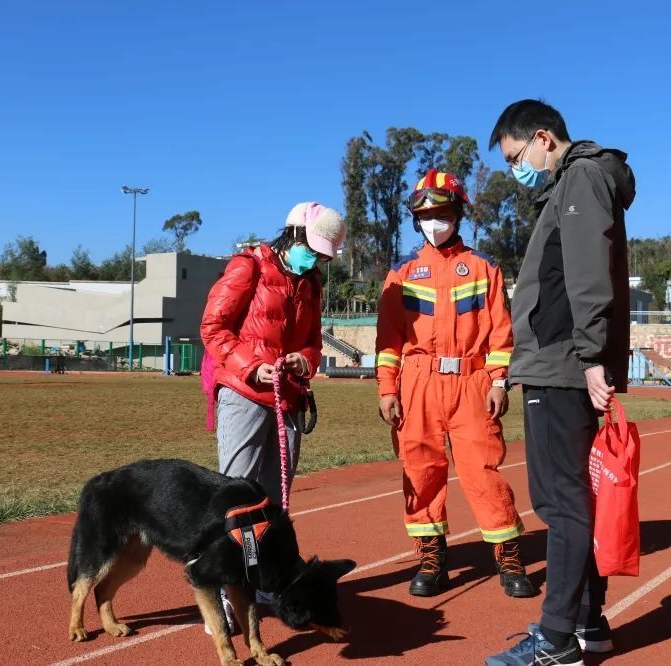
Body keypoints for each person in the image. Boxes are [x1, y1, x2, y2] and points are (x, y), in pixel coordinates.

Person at [485, 100, 634, 666]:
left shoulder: (580, 177)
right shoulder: (580, 182)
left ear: (543, 138)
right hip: (563, 359)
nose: (515, 170)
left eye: (516, 157)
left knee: (561, 503)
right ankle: (587, 622)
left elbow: (586, 271)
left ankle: (555, 640)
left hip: (561, 361)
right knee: (574, 497)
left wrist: (592, 356)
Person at [375, 169, 535, 599]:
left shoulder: (484, 268)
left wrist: (499, 381)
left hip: (472, 381)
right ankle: (431, 556)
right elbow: (388, 340)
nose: (434, 222)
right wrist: (387, 390)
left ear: (458, 214)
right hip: (418, 383)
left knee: (483, 471)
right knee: (421, 470)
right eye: (426, 215)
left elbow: (501, 332)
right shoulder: (402, 272)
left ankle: (508, 556)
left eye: (442, 212)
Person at [199, 202, 345, 631]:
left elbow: (314, 342)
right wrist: (250, 365)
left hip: (288, 397)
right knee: (238, 500)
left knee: (274, 504)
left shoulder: (312, 282)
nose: (316, 260)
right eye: (312, 250)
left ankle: (261, 578)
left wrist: (304, 360)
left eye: (323, 255)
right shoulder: (249, 267)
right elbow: (213, 327)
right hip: (244, 392)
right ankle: (227, 592)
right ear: (292, 233)